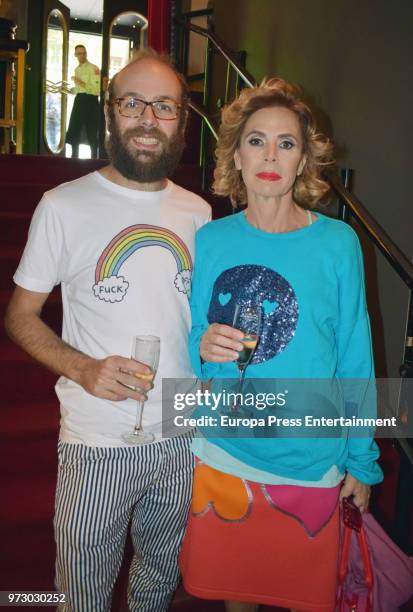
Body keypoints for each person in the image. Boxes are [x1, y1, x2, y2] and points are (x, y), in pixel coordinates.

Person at [5, 49, 211, 611]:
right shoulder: (63, 206)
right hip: (97, 440)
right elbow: (19, 317)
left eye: (164, 106)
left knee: (157, 582)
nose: (148, 118)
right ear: (109, 112)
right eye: (132, 102)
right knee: (82, 593)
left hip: (180, 432)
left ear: (182, 121)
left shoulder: (199, 212)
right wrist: (83, 368)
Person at [179, 78, 383, 612]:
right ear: (236, 155)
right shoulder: (212, 239)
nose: (270, 155)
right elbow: (191, 342)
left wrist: (362, 461)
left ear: (302, 161)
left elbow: (357, 359)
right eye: (257, 140)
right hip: (225, 453)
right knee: (237, 598)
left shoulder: (339, 243)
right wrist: (202, 342)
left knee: (304, 598)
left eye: (286, 143)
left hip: (311, 461)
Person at [66, 44, 100, 158]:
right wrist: (72, 90)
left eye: (84, 53)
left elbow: (96, 91)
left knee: (91, 129)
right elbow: (80, 89)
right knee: (75, 127)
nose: (82, 55)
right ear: (75, 55)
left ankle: (94, 158)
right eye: (79, 53)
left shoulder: (94, 68)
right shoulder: (77, 69)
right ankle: (74, 157)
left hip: (91, 101)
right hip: (79, 100)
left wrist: (79, 82)